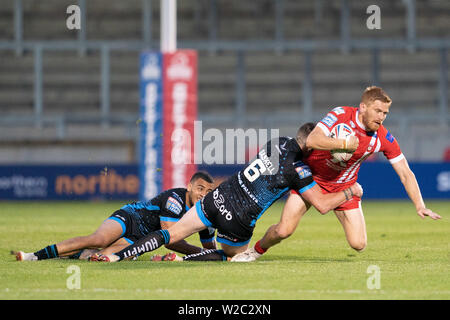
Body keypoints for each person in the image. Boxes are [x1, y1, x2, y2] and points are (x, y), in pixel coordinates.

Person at [89, 122, 364, 263]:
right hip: (239, 219)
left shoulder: (277, 142)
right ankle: (188, 259)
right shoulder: (299, 170)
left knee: (171, 234)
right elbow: (324, 205)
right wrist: (350, 190)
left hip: (218, 197)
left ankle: (116, 256)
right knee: (232, 256)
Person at [232, 86, 441, 262]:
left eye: (385, 113)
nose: (381, 117)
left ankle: (344, 201)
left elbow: (405, 172)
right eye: (378, 111)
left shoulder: (382, 138)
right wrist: (343, 144)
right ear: (363, 107)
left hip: (343, 186)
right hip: (310, 180)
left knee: (359, 244)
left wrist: (419, 205)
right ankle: (255, 251)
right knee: (283, 231)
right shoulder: (340, 115)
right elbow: (313, 140)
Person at [15, 171, 216, 261]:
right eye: (199, 188)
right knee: (98, 239)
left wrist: (215, 255)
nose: (202, 194)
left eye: (207, 192)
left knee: (97, 257)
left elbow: (209, 249)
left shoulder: (205, 213)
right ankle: (35, 255)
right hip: (130, 217)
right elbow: (169, 240)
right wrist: (196, 251)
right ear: (189, 186)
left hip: (139, 239)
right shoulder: (175, 198)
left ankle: (73, 254)